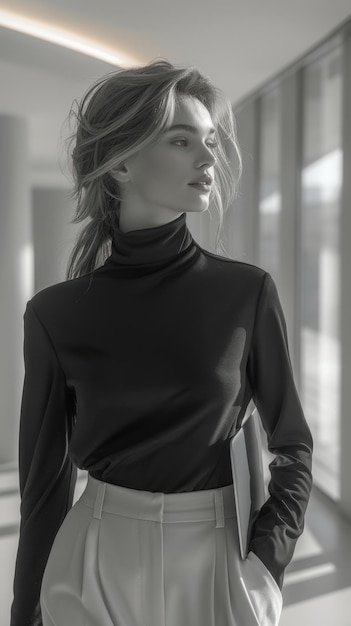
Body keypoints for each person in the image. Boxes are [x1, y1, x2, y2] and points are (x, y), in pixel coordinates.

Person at [10, 58, 313, 626]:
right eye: (182, 140)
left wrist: (268, 565)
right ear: (120, 162)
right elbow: (45, 489)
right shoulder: (54, 315)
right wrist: (22, 615)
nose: (208, 160)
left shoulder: (246, 293)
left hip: (218, 566)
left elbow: (292, 444)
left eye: (211, 143)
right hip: (92, 561)